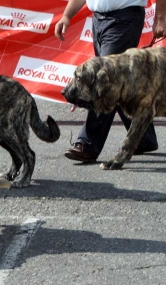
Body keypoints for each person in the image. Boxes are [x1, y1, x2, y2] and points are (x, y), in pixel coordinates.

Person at [56, 0, 159, 163]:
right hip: (98, 20)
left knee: (105, 83)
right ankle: (143, 138)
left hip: (125, 19)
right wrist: (66, 16)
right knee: (120, 84)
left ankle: (88, 144)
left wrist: (160, 17)